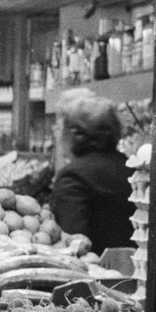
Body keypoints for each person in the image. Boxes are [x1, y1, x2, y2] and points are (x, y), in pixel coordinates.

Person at [50, 91, 133, 253]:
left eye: (60, 127)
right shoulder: (130, 168)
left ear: (73, 134)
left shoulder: (73, 176)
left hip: (96, 272)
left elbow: (73, 244)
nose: (57, 135)